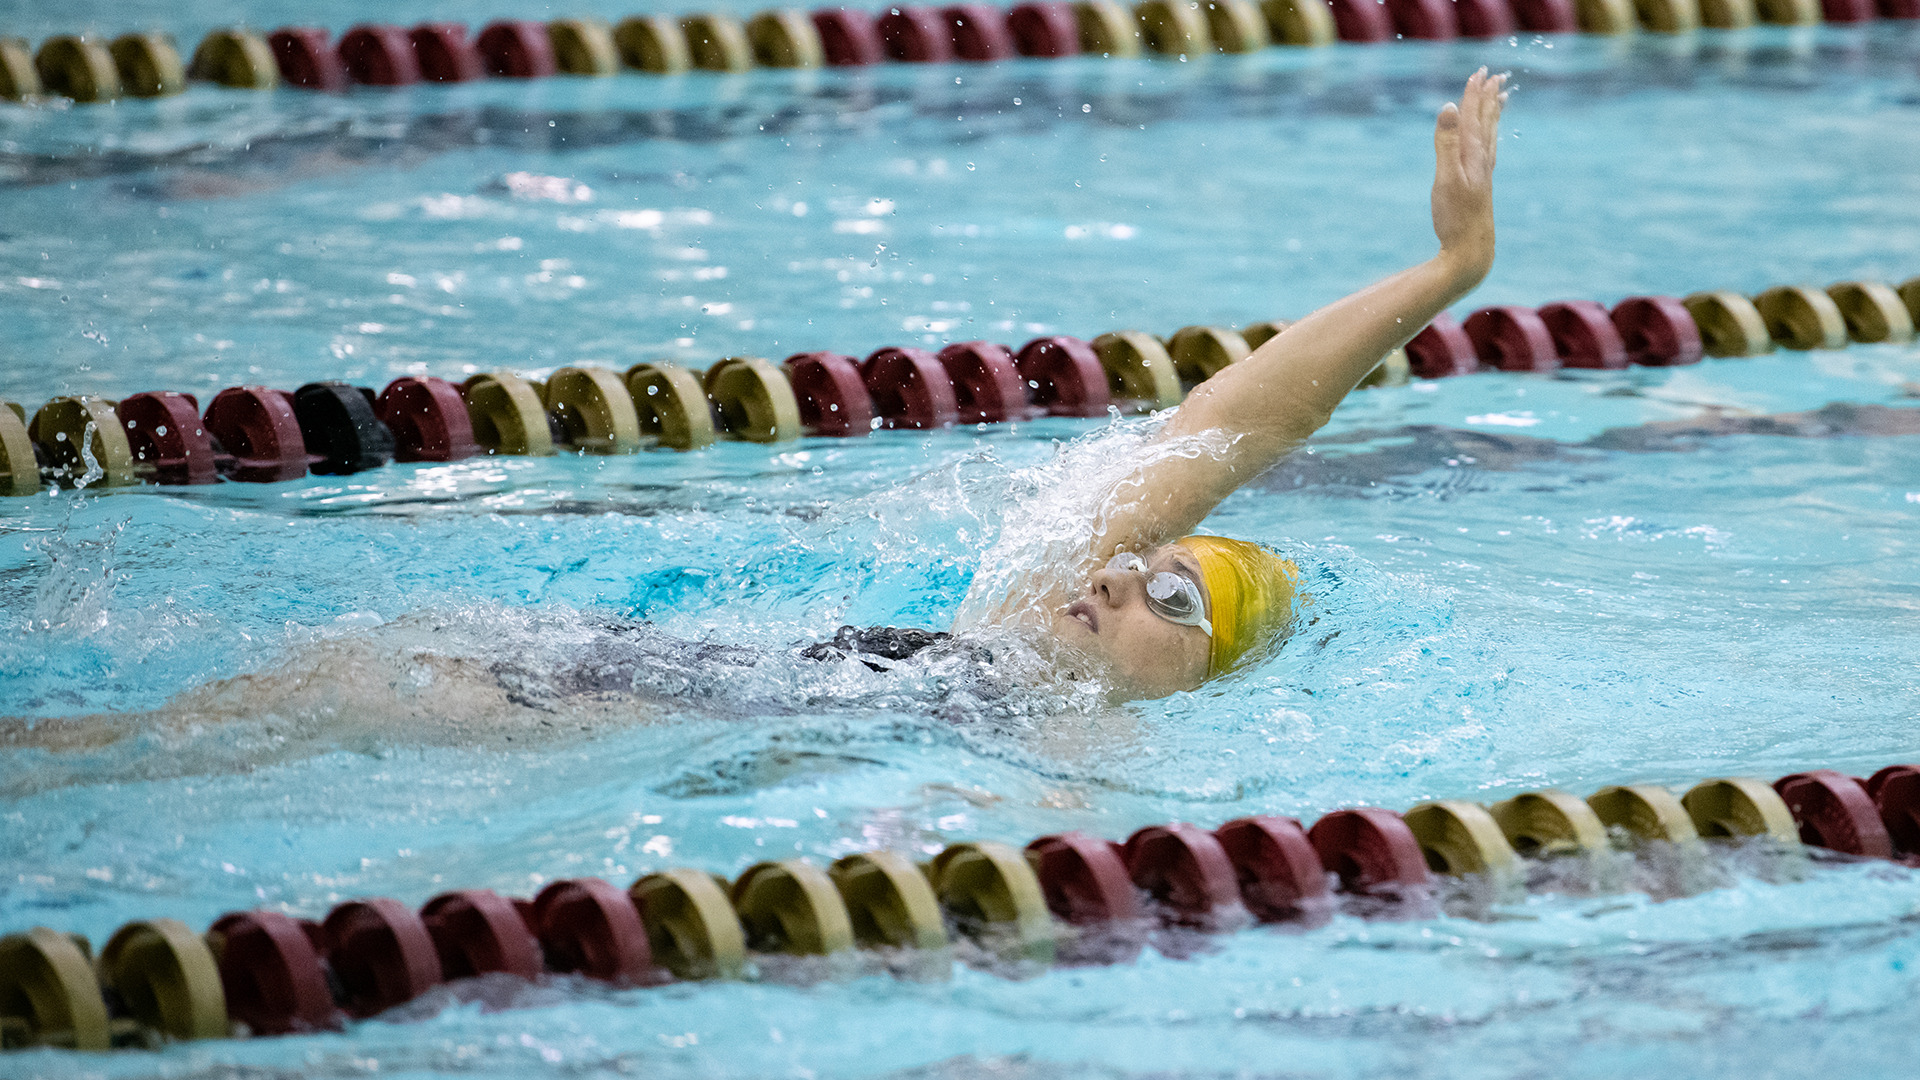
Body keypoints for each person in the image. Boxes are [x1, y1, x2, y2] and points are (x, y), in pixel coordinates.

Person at [959, 69, 1510, 701]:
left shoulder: (1077, 771)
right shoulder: (1012, 630)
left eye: (1171, 596)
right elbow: (1230, 425)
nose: (1109, 582)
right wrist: (1453, 268)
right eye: (1129, 566)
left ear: (1207, 676)